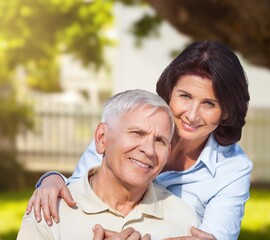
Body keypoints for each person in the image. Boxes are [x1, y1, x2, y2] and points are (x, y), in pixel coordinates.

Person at [26, 41, 253, 240]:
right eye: (185, 96)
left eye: (209, 104)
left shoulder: (232, 168)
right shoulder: (128, 123)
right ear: (170, 92)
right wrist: (52, 179)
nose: (192, 115)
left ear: (226, 110)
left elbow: (214, 237)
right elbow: (81, 193)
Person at [17, 89, 199, 240]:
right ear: (102, 137)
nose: (149, 150)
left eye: (160, 141)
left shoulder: (182, 217)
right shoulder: (49, 210)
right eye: (137, 133)